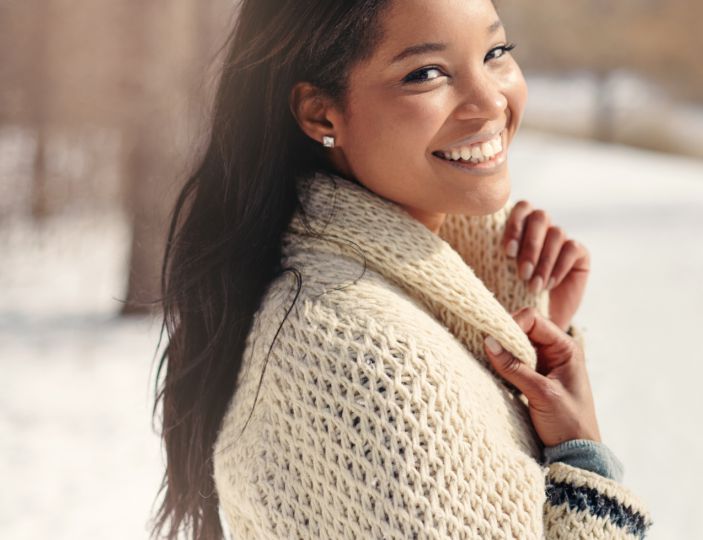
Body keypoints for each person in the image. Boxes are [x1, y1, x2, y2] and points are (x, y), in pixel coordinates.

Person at [149, 0, 652, 538]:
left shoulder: (352, 295)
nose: (489, 102)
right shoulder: (365, 356)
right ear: (321, 114)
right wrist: (583, 459)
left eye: (496, 52)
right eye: (426, 73)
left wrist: (523, 326)